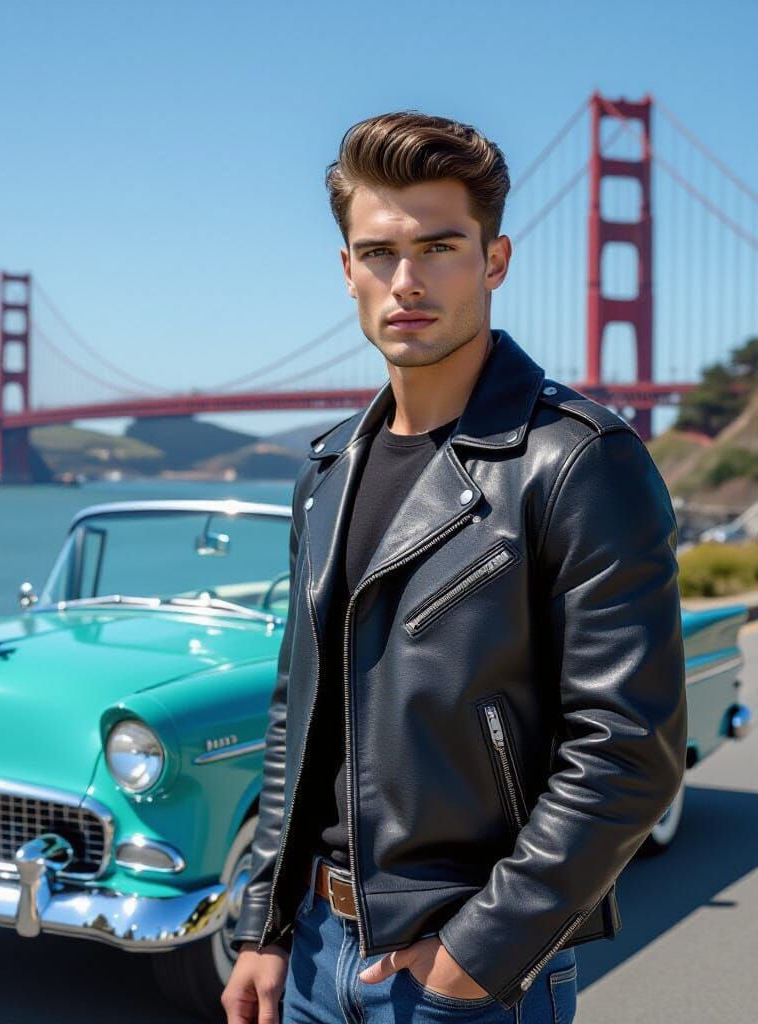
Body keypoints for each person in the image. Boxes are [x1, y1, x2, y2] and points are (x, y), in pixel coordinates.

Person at [221, 110, 686, 1024]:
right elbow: (297, 715)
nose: (407, 280)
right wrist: (264, 927)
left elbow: (630, 750)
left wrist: (474, 957)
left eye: (440, 246)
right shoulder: (325, 472)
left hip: (464, 973)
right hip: (314, 951)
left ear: (496, 260)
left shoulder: (579, 462)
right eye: (380, 252)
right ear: (346, 269)